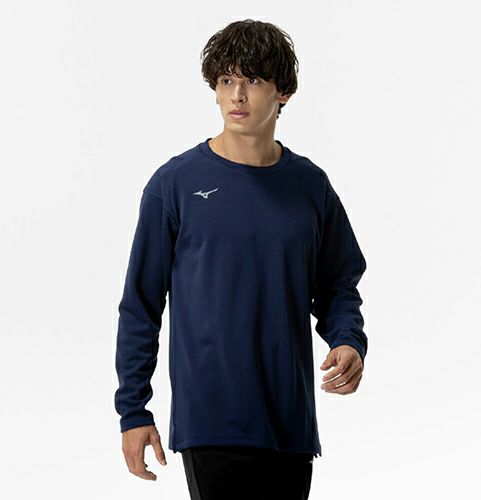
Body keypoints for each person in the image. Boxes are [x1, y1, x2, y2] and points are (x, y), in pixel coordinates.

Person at [114, 19, 368, 500]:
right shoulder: (175, 184)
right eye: (226, 79)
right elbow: (141, 306)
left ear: (283, 92)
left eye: (252, 79)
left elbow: (338, 284)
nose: (236, 95)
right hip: (211, 420)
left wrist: (347, 339)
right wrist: (133, 411)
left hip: (289, 424)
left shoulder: (310, 186)